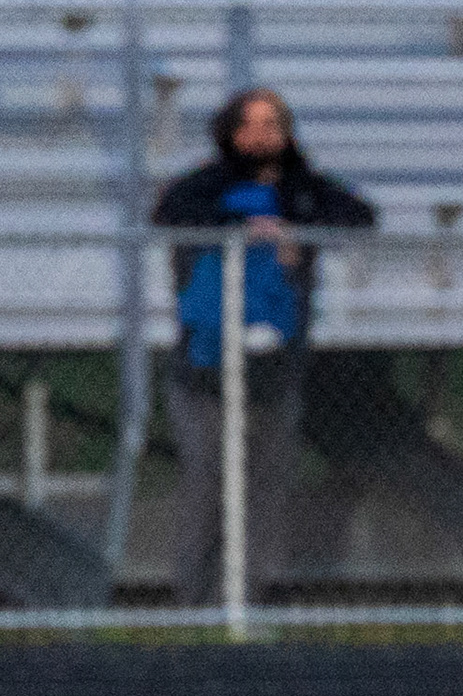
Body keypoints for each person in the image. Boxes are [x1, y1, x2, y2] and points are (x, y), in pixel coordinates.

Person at [152, 88, 377, 606]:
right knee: (208, 481)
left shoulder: (302, 189)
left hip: (275, 369)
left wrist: (298, 233)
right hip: (205, 367)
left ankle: (244, 600)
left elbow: (359, 216)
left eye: (271, 125)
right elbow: (171, 212)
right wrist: (244, 228)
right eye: (249, 126)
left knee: (266, 483)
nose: (261, 137)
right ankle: (192, 601)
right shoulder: (206, 185)